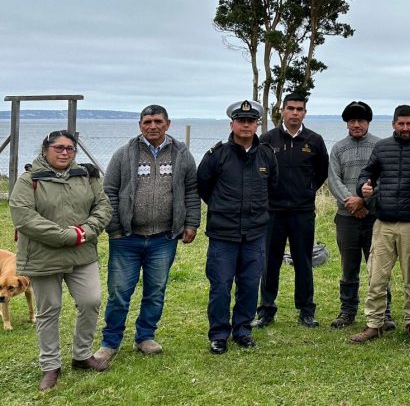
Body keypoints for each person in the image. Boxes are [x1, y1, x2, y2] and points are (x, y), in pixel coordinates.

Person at [94, 105, 201, 362]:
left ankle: (145, 337)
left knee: (155, 290)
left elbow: (191, 192)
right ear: (140, 125)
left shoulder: (182, 155)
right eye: (147, 122)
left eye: (158, 121)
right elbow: (108, 192)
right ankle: (110, 342)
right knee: (119, 292)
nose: (153, 126)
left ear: (168, 124)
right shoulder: (124, 154)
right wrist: (116, 229)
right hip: (126, 239)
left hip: (164, 238)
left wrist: (191, 224)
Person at [9, 131, 113, 391]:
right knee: (49, 310)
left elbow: (103, 207)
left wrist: (86, 231)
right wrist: (68, 235)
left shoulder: (86, 176)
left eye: (70, 148)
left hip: (82, 254)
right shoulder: (29, 179)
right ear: (46, 149)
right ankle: (50, 365)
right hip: (43, 257)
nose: (65, 152)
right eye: (58, 147)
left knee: (91, 301)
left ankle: (82, 355)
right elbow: (24, 217)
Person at [197, 100, 279, 355]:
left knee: (249, 284)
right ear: (232, 124)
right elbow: (204, 187)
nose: (246, 125)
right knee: (221, 285)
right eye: (241, 121)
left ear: (257, 124)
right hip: (223, 233)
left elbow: (272, 187)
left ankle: (242, 330)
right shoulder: (217, 155)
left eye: (251, 121)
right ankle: (219, 334)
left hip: (255, 233)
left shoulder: (266, 155)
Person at [350, 105, 410, 345]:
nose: (405, 128)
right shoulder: (382, 147)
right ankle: (374, 323)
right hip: (383, 223)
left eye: (409, 124)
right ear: (393, 124)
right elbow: (366, 174)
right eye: (400, 124)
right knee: (376, 276)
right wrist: (363, 187)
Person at [253, 93, 329, 329]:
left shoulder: (314, 140)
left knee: (303, 261)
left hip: (302, 212)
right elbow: (259, 173)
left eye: (300, 109)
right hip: (273, 212)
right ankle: (266, 310)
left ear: (305, 112)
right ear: (282, 111)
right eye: (291, 108)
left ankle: (306, 310)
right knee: (270, 262)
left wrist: (306, 191)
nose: (295, 113)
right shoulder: (266, 139)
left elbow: (321, 172)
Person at [327, 101, 393, 329]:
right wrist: (351, 203)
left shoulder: (380, 146)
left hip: (375, 217)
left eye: (361, 121)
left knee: (379, 267)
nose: (357, 125)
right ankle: (347, 312)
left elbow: (385, 178)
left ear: (368, 122)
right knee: (348, 267)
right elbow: (333, 180)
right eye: (352, 121)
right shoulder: (338, 149)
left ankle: (384, 313)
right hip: (346, 218)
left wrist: (364, 201)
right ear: (347, 123)